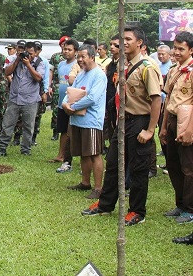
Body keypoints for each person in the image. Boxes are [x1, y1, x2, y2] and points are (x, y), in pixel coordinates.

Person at [82, 25, 162, 226]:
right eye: (122, 39)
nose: (123, 43)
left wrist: (150, 129)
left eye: (128, 39)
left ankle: (137, 211)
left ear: (140, 43)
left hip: (140, 121)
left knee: (138, 168)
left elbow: (156, 99)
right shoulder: (122, 65)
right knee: (114, 163)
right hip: (123, 121)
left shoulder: (147, 67)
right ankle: (105, 204)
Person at [62, 44, 107, 199]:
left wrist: (72, 107)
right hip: (77, 120)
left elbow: (92, 98)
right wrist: (64, 104)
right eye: (79, 56)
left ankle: (98, 187)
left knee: (94, 153)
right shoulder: (81, 74)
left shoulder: (99, 75)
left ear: (92, 57)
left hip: (91, 121)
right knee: (83, 153)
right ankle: (85, 182)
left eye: (83, 57)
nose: (80, 60)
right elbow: (70, 91)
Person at [159, 31, 193, 224]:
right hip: (171, 119)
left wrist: (189, 130)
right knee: (173, 164)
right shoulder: (173, 70)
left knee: (188, 167)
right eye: (176, 48)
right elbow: (168, 100)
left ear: (191, 50)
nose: (177, 52)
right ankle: (180, 203)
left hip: (187, 121)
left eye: (182, 49)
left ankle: (190, 208)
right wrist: (163, 127)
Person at [0, 39, 45, 156]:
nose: (28, 55)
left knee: (28, 126)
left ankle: (25, 149)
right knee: (7, 124)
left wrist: (28, 65)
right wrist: (17, 61)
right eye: (26, 53)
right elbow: (6, 73)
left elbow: (39, 78)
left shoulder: (39, 63)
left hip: (30, 100)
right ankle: (2, 148)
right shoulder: (16, 60)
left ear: (35, 53)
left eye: (30, 53)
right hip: (14, 98)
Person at [51, 38, 78, 172]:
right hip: (61, 102)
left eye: (69, 49)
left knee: (70, 131)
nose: (66, 51)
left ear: (76, 52)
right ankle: (61, 155)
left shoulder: (77, 65)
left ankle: (69, 157)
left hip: (71, 104)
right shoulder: (61, 64)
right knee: (62, 130)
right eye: (64, 49)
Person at [49, 36, 69, 141]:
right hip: (57, 85)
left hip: (68, 86)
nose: (64, 46)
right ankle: (55, 131)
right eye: (63, 44)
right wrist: (49, 86)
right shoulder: (55, 57)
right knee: (56, 109)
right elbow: (51, 71)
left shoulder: (73, 57)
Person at [31, 41, 50, 146]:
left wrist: (45, 91)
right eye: (35, 49)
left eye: (38, 49)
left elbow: (45, 77)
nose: (36, 51)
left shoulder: (43, 61)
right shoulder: (27, 59)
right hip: (29, 91)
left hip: (39, 90)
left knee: (37, 115)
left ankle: (33, 137)